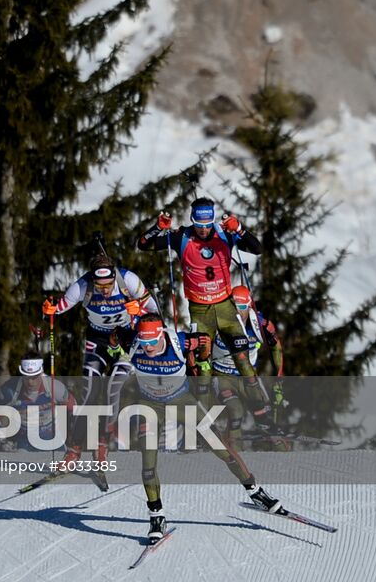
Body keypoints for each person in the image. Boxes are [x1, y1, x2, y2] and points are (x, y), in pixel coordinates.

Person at [124, 313, 283, 543]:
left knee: (221, 448)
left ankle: (255, 492)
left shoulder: (179, 342)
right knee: (148, 463)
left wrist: (200, 360)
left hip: (182, 402)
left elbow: (203, 341)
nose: (148, 347)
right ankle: (156, 517)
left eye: (152, 341)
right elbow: (114, 336)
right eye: (144, 341)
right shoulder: (132, 342)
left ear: (161, 333)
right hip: (151, 405)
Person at [135, 197, 276, 428]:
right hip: (200, 310)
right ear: (192, 221)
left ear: (212, 220)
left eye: (207, 224)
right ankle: (203, 423)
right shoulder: (182, 236)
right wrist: (158, 228)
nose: (202, 230)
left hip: (226, 307)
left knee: (242, 354)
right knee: (203, 365)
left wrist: (239, 229)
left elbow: (257, 249)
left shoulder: (224, 235)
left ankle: (261, 412)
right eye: (198, 225)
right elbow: (143, 244)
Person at [42, 252, 160, 462]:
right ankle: (74, 449)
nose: (104, 291)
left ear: (115, 277)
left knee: (112, 389)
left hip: (125, 340)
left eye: (108, 285)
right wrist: (50, 309)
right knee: (88, 392)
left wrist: (139, 309)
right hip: (97, 340)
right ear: (92, 280)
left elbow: (155, 313)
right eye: (100, 286)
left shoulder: (129, 281)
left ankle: (102, 445)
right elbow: (58, 308)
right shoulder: (81, 287)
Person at [211, 285, 286, 443]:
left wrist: (278, 379)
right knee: (235, 411)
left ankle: (279, 450)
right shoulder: (217, 321)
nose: (238, 312)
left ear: (250, 305)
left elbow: (276, 347)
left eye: (243, 307)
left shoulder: (260, 324)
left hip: (248, 378)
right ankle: (232, 448)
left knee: (267, 412)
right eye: (235, 307)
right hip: (223, 377)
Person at [0, 355, 75, 451]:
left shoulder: (55, 387)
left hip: (53, 442)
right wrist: (1, 440)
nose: (30, 382)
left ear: (41, 373)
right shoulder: (9, 390)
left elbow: (76, 411)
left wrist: (73, 440)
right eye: (26, 377)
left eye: (35, 377)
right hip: (23, 444)